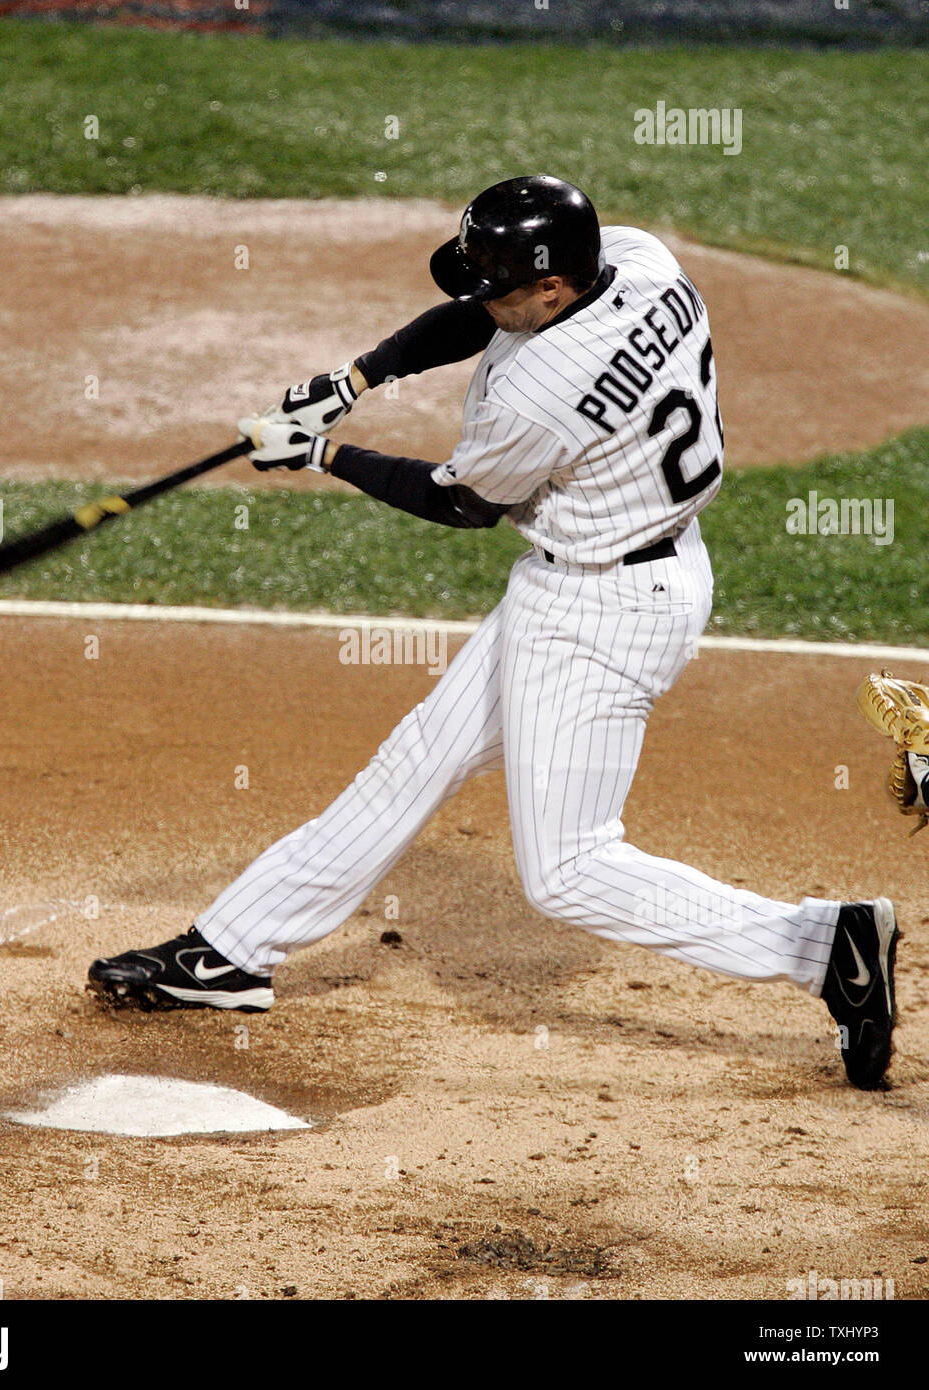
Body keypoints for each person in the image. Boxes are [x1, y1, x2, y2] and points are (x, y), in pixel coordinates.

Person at [88, 176, 898, 1091]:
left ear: (551, 288)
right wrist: (356, 379)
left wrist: (322, 454)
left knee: (567, 872)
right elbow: (485, 316)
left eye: (501, 285)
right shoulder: (638, 260)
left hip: (600, 613)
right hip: (631, 570)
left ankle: (823, 946)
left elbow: (459, 501)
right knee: (419, 757)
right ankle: (232, 951)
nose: (483, 298)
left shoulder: (544, 390)